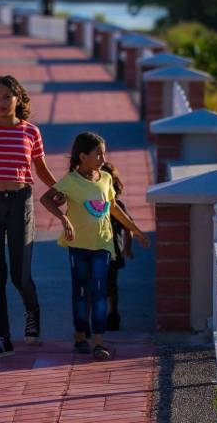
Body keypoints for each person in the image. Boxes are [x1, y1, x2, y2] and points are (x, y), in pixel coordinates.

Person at [0, 75, 62, 360]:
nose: (1, 102)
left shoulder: (31, 132)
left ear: (18, 99)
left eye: (6, 96)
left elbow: (40, 168)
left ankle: (32, 309)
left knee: (20, 274)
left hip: (21, 205)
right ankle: (3, 339)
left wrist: (60, 190)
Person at [40, 132, 149, 361]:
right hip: (78, 245)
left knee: (99, 292)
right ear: (83, 156)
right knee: (80, 291)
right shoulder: (70, 181)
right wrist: (64, 219)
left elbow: (114, 209)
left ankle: (99, 341)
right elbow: (46, 199)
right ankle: (80, 335)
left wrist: (135, 229)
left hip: (103, 244)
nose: (102, 157)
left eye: (103, 153)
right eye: (98, 153)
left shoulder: (106, 178)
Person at [101, 162, 133, 331]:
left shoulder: (118, 206)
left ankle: (113, 313)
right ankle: (97, 316)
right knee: (96, 284)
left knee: (111, 285)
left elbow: (129, 227)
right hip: (96, 249)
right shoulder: (92, 204)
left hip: (113, 252)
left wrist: (128, 247)